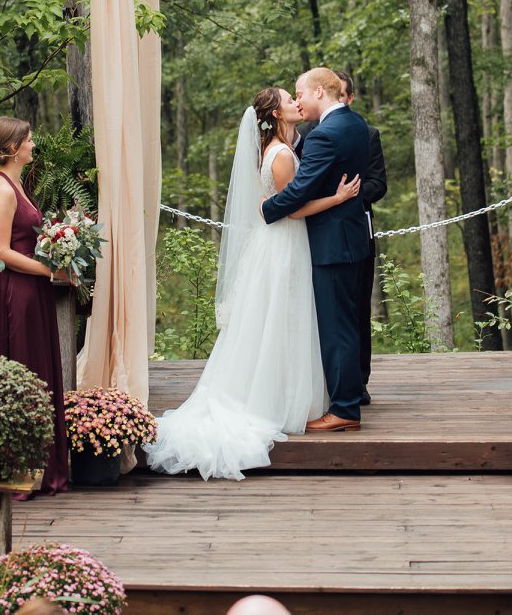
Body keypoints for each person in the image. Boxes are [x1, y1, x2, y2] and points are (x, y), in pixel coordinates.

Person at [146, 87, 360, 479]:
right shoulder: (280, 155)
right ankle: (272, 399)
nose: (297, 103)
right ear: (277, 114)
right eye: (288, 99)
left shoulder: (283, 146)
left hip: (281, 245)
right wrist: (338, 198)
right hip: (283, 246)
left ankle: (284, 394)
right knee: (280, 318)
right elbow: (291, 212)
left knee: (279, 319)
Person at [262, 67, 373, 433]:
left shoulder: (325, 134)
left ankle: (343, 409)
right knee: (349, 324)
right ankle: (348, 397)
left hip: (331, 244)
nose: (299, 100)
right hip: (353, 240)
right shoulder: (357, 125)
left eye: (301, 93)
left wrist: (268, 209)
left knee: (337, 328)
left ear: (321, 93)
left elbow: (300, 190)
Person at [0, 116, 71, 496]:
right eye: (30, 141)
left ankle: (40, 465)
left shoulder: (16, 183)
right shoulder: (1, 189)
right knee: (24, 367)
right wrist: (46, 268)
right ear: (14, 148)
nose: (35, 145)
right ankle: (22, 469)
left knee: (38, 369)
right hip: (17, 291)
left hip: (31, 288)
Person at [336, 71, 387, 405]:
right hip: (316, 232)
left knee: (358, 312)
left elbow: (378, 184)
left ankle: (359, 381)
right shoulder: (309, 134)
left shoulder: (368, 134)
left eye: (342, 95)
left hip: (358, 231)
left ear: (350, 98)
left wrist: (347, 197)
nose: (338, 100)